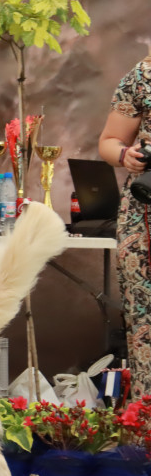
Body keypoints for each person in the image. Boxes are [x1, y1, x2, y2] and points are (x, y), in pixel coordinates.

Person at [98, 52, 151, 399]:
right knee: (145, 324)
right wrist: (125, 155)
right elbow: (109, 141)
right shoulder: (143, 75)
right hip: (144, 215)